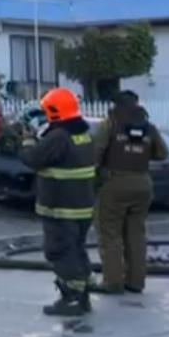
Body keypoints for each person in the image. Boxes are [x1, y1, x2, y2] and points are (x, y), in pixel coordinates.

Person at [20, 88, 98, 317]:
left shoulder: (59, 137)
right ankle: (83, 295)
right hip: (82, 207)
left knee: (60, 251)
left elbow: (33, 159)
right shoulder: (83, 134)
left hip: (60, 208)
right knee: (76, 250)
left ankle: (71, 298)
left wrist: (26, 140)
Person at [92, 91, 168, 295]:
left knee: (110, 234)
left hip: (114, 183)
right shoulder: (148, 127)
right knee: (136, 234)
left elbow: (95, 153)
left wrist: (96, 174)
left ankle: (113, 282)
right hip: (143, 183)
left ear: (116, 105)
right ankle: (136, 282)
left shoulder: (110, 124)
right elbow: (162, 153)